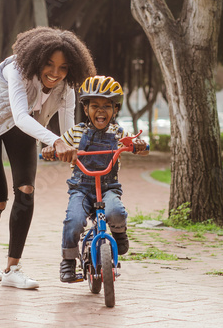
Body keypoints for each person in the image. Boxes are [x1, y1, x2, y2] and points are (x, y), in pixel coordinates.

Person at [0, 27, 96, 289]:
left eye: (63, 68)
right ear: (36, 59)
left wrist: (69, 146)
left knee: (26, 190)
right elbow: (20, 115)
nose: (55, 73)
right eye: (49, 65)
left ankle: (13, 269)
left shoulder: (66, 88)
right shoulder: (16, 70)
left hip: (23, 127)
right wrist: (54, 141)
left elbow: (68, 128)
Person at [41, 75, 149, 283]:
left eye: (107, 106)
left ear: (115, 109)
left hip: (108, 188)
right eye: (95, 105)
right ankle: (69, 261)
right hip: (81, 188)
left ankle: (118, 234)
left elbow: (136, 146)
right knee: (73, 221)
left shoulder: (118, 133)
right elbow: (59, 145)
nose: (101, 111)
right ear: (86, 108)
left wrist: (139, 146)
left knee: (116, 212)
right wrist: (51, 149)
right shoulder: (77, 132)